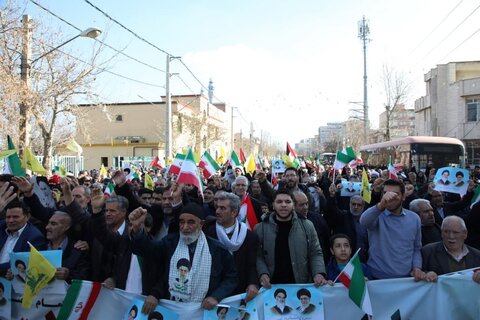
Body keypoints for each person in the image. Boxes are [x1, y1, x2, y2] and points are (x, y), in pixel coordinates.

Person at [129, 202, 238, 310]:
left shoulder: (217, 249)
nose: (185, 227)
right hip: (173, 308)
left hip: (203, 310)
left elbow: (231, 278)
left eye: (191, 222)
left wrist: (216, 296)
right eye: (182, 222)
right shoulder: (170, 242)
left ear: (201, 224)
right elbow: (148, 251)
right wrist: (137, 229)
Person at [255, 190, 327, 289]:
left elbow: (315, 253)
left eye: (288, 202)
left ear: (293, 205)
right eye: (279, 202)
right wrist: (262, 273)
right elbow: (258, 255)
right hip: (271, 288)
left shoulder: (307, 226)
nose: (284, 205)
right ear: (273, 205)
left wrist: (318, 273)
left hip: (300, 286)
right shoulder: (260, 228)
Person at [360, 179, 425, 280]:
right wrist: (381, 205)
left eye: (395, 194)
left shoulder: (414, 218)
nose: (389, 197)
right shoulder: (377, 215)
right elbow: (364, 221)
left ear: (403, 196)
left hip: (406, 279)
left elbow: (416, 248)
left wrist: (417, 267)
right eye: (386, 193)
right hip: (377, 278)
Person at [202, 192, 259, 301]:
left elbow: (252, 264)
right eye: (217, 207)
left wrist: (253, 283)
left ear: (234, 212)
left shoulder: (249, 236)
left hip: (239, 291)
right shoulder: (207, 232)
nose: (217, 211)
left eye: (223, 208)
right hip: (212, 293)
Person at [422, 216, 480, 283]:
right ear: (441, 233)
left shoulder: (477, 255)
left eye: (455, 232)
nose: (451, 236)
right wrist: (426, 274)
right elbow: (415, 276)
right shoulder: (428, 252)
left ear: (465, 234)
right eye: (446, 232)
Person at [0, 200, 46, 276]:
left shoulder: (35, 237)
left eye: (15, 217)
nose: (10, 220)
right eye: (8, 217)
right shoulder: (1, 226)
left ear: (27, 217)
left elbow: (21, 264)